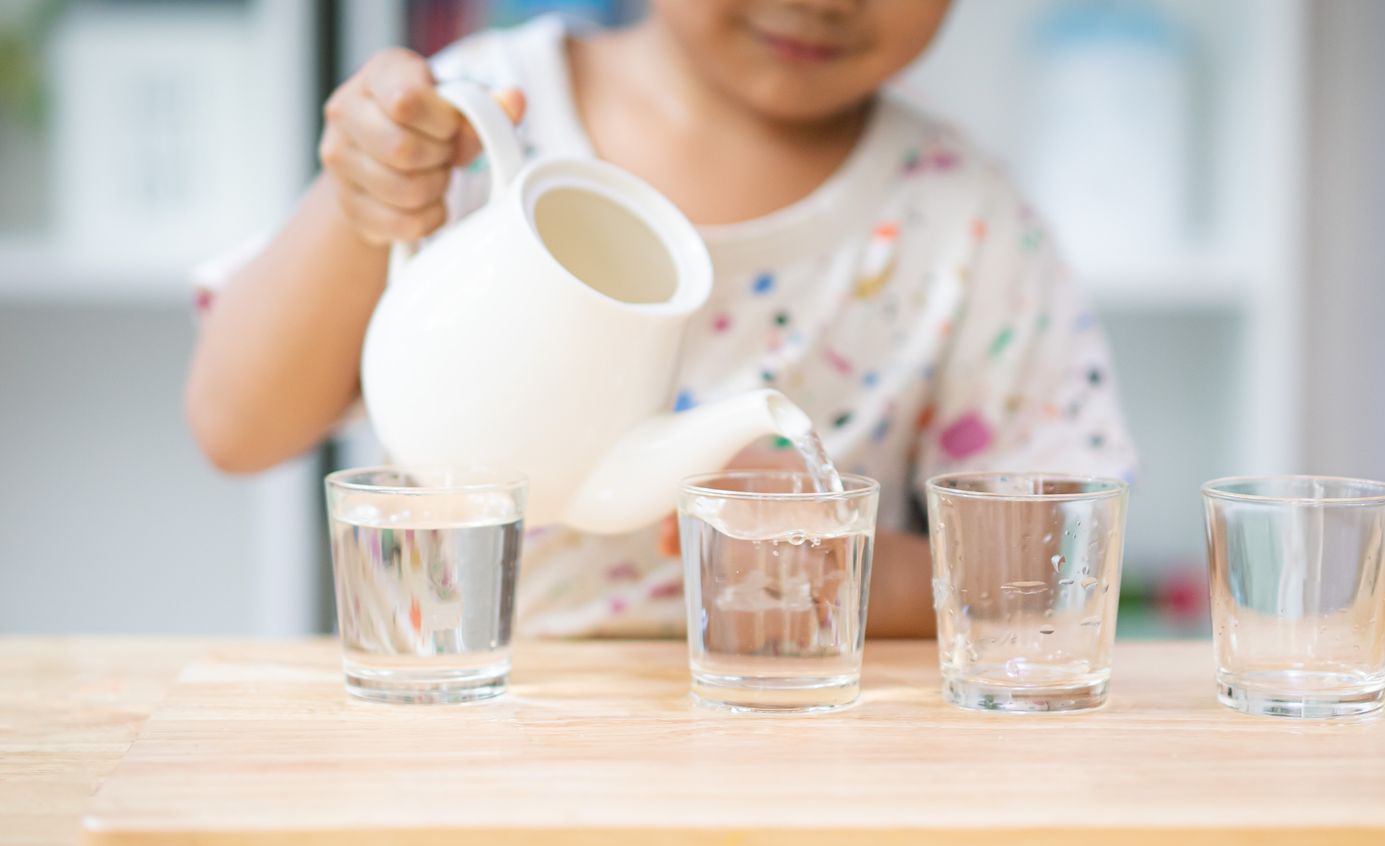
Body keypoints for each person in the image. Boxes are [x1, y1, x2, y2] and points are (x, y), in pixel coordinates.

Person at [186, 0, 1136, 638]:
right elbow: (238, 427)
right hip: (462, 739)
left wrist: (871, 577)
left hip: (788, 769)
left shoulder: (962, 219)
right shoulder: (480, 126)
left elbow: (1069, 557)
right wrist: (365, 205)